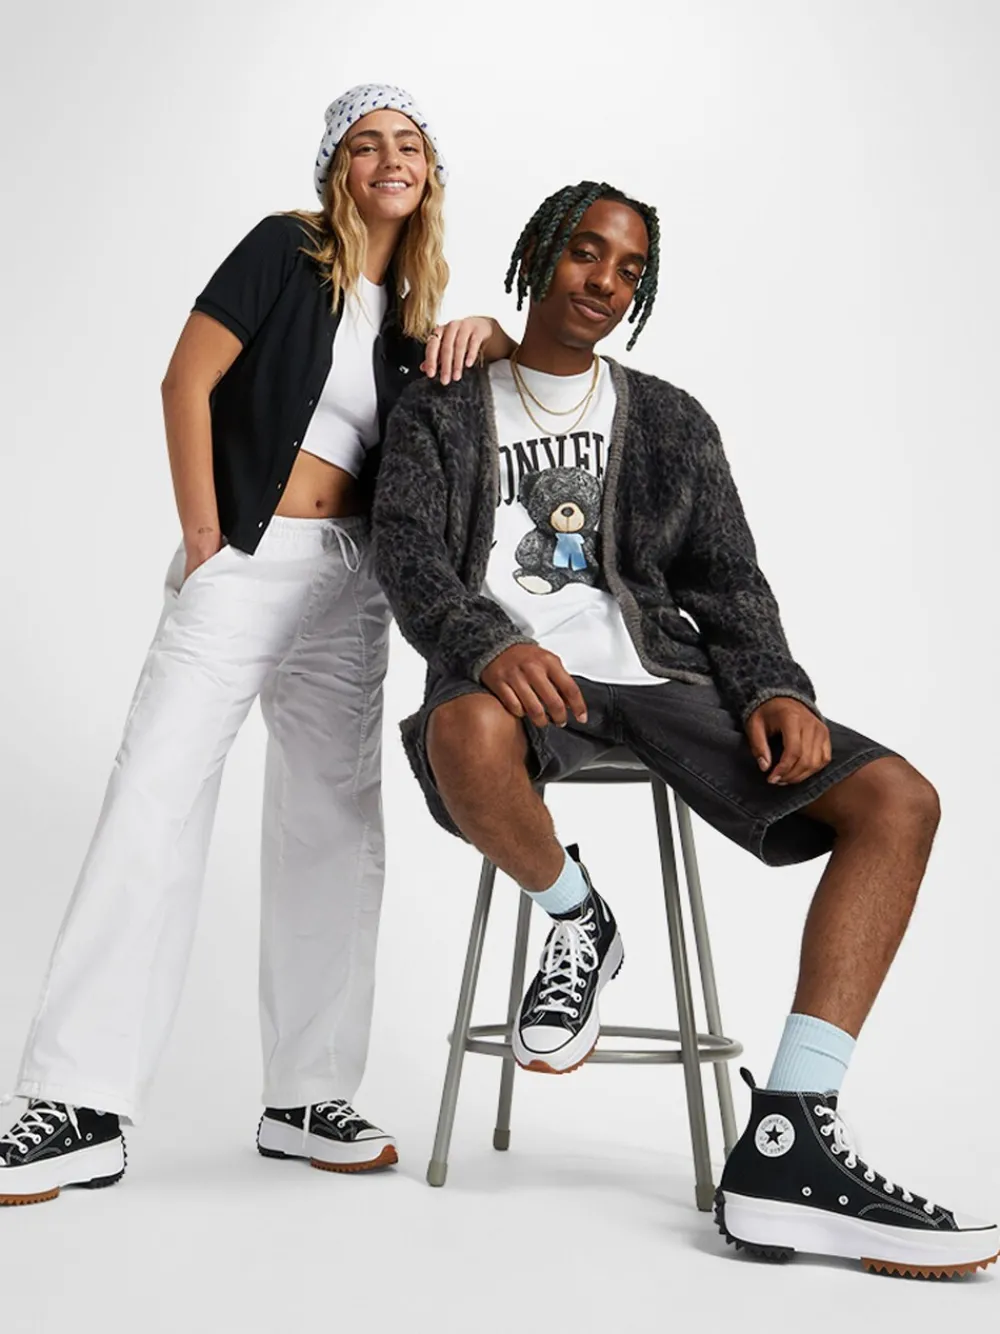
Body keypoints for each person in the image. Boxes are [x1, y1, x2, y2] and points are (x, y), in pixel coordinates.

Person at [370, 180, 998, 1278]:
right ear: (539, 255)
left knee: (900, 801)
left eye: (630, 270)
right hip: (514, 681)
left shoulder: (669, 419)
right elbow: (407, 550)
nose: (604, 282)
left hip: (658, 674)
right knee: (458, 736)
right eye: (586, 252)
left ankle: (790, 1134)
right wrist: (485, 640)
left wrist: (775, 687)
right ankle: (577, 917)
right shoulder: (445, 400)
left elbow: (727, 578)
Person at [0, 83, 514, 1205]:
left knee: (335, 819)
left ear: (431, 172)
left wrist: (501, 335)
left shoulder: (416, 322)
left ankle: (307, 1096)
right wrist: (206, 538)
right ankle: (78, 1099)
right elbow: (187, 378)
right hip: (248, 554)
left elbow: (503, 416)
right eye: (368, 143)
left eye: (410, 144)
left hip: (353, 582)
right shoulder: (287, 250)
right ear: (338, 165)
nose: (391, 158)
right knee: (155, 794)